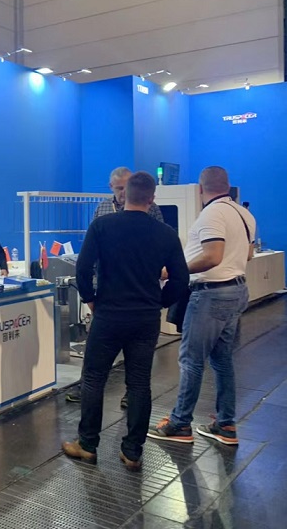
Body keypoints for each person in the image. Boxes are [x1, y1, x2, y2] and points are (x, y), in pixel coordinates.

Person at [62, 172, 189, 469]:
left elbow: (82, 269)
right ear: (152, 198)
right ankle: (132, 451)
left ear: (125, 194)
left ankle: (87, 444)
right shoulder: (165, 233)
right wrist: (159, 302)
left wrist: (91, 300)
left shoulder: (102, 226)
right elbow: (181, 279)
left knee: (94, 378)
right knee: (139, 383)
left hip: (108, 314)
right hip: (145, 319)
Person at [148, 166, 254, 447]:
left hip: (211, 295)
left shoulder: (212, 213)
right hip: (236, 291)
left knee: (191, 360)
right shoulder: (244, 214)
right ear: (227, 186)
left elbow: (212, 256)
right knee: (222, 360)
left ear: (200, 188)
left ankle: (180, 423)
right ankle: (225, 424)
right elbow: (248, 254)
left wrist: (173, 271)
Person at [67, 166, 168, 408]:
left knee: (138, 369)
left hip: (139, 292)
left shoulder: (152, 210)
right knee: (96, 359)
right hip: (108, 293)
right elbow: (88, 258)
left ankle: (127, 395)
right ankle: (86, 387)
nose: (123, 192)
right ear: (111, 187)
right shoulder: (102, 210)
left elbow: (159, 248)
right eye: (119, 187)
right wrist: (90, 297)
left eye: (127, 187)